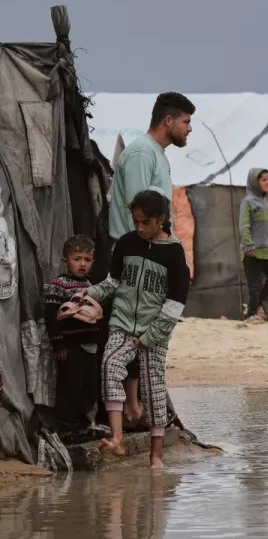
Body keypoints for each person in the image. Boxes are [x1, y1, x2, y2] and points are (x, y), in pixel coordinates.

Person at [77, 190, 190, 468]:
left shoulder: (175, 254)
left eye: (144, 223)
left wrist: (150, 337)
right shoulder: (127, 243)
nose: (138, 228)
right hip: (122, 323)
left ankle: (156, 456)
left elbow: (175, 304)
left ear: (160, 219)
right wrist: (87, 294)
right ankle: (117, 440)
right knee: (111, 365)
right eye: (135, 221)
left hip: (155, 332)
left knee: (153, 388)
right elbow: (113, 282)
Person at [103, 92, 194, 428]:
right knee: (131, 330)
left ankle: (139, 410)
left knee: (148, 332)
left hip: (150, 259)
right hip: (133, 259)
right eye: (186, 121)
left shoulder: (155, 153)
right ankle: (130, 410)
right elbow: (138, 212)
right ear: (167, 120)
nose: (189, 129)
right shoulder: (142, 152)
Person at [45, 235, 103, 438]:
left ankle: (83, 425)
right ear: (65, 261)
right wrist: (58, 344)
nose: (82, 264)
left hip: (89, 346)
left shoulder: (90, 285)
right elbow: (50, 317)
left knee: (89, 387)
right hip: (70, 347)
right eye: (77, 259)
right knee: (71, 386)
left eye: (87, 260)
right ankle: (65, 427)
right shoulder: (58, 285)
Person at [239, 167, 268, 322]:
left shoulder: (265, 202)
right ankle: (250, 314)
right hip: (253, 250)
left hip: (267, 249)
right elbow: (244, 225)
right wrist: (249, 245)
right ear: (255, 183)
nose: (267, 183)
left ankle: (256, 305)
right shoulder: (248, 202)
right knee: (255, 285)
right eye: (263, 180)